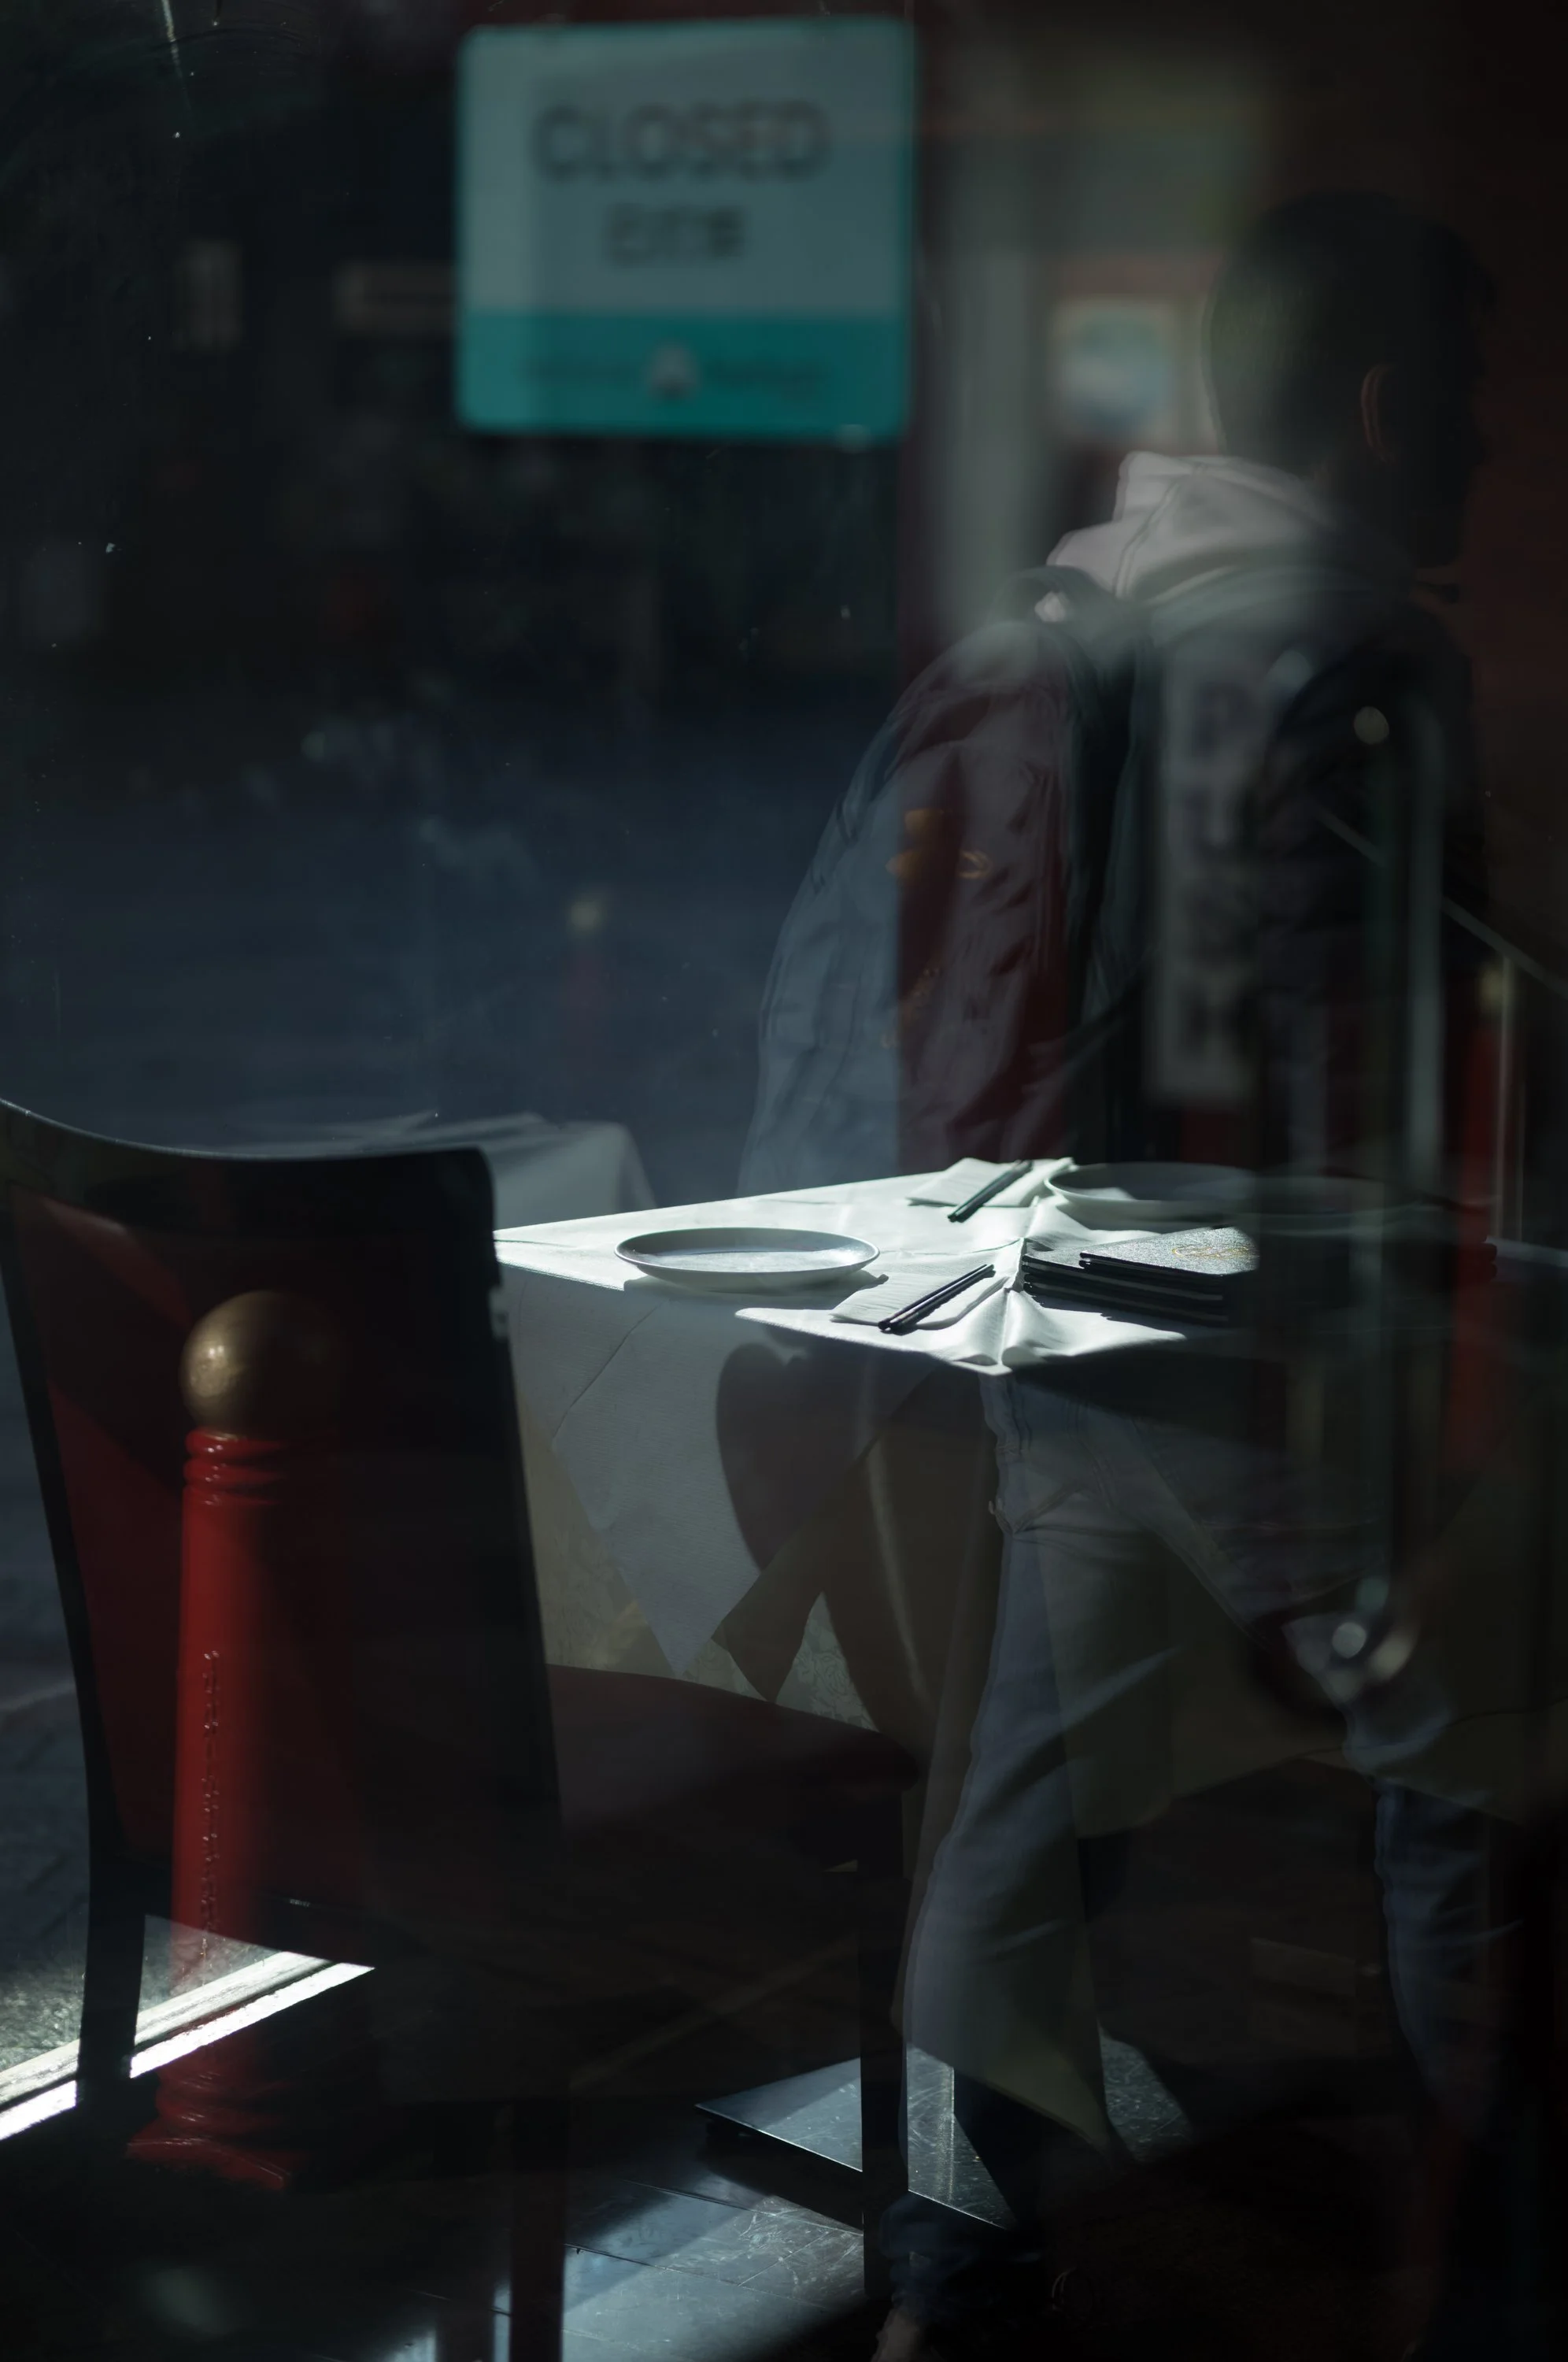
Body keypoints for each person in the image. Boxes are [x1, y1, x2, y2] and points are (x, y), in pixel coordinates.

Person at [831, 194, 1504, 2360]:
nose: (1480, 454)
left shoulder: (1077, 602)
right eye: (1471, 407)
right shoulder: (1351, 649)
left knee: (1030, 1800)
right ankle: (1496, 2255)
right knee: (1465, 1760)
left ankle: (968, 2242)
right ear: (1394, 407)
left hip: (1061, 1307)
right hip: (1276, 1347)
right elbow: (1348, 1073)